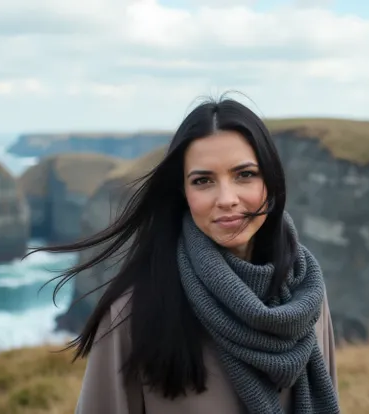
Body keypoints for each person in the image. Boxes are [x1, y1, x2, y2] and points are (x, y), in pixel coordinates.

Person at [31, 97, 341, 414]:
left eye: (245, 174)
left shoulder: (305, 295)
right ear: (184, 192)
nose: (226, 199)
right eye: (203, 181)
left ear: (271, 181)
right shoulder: (132, 314)